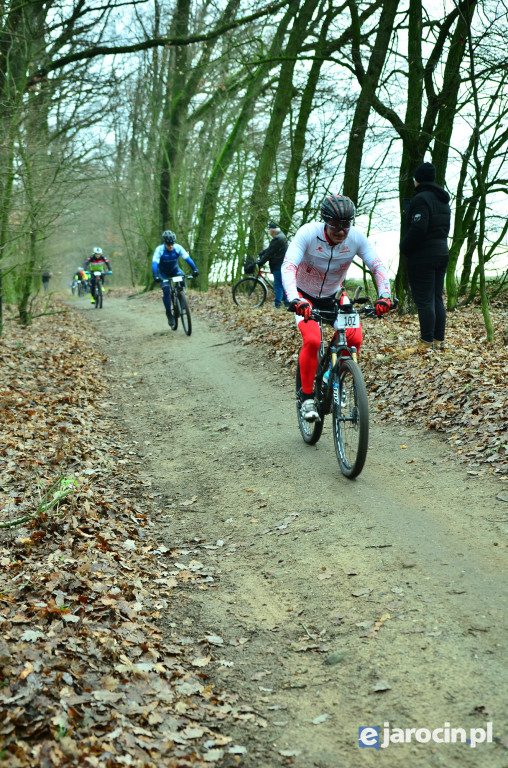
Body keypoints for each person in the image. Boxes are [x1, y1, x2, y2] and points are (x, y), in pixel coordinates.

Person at [282, 194, 392, 422]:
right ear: (325, 221)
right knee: (312, 340)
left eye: (346, 225)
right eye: (335, 225)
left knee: (355, 338)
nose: (341, 231)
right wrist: (295, 298)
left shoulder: (357, 238)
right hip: (304, 297)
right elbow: (289, 265)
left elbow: (377, 264)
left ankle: (334, 380)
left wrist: (385, 296)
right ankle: (307, 398)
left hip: (333, 296)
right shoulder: (308, 233)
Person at [400, 161, 451, 351]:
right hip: (441, 252)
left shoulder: (421, 199)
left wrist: (404, 246)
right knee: (437, 297)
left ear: (418, 180)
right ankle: (438, 340)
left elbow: (419, 228)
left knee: (425, 300)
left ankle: (426, 342)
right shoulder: (442, 201)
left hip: (423, 257)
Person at [152, 230, 199, 327]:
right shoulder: (159, 250)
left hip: (175, 270)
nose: (171, 246)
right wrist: (155, 275)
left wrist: (195, 269)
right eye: (168, 244)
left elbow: (187, 258)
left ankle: (182, 300)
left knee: (182, 280)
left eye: (172, 243)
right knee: (166, 290)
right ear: (165, 243)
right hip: (163, 273)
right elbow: (154, 263)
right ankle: (169, 313)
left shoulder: (178, 247)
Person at [256, 222, 289, 308]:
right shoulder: (280, 237)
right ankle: (287, 303)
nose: (269, 233)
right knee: (281, 285)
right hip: (280, 264)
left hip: (278, 265)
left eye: (270, 231)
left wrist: (261, 262)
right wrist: (262, 252)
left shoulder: (278, 239)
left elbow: (270, 252)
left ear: (273, 231)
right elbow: (270, 249)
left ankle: (277, 304)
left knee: (278, 285)